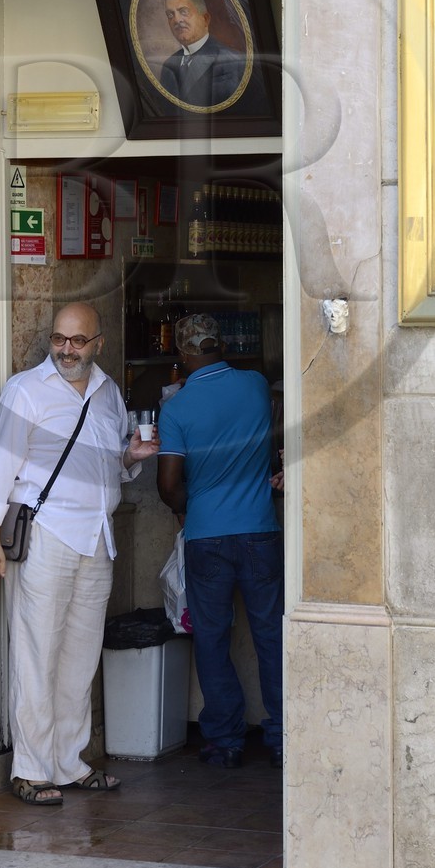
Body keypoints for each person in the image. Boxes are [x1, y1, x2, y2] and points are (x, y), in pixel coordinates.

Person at [0, 302, 159, 806]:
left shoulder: (107, 393)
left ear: (98, 343)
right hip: (48, 534)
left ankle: (70, 761)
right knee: (36, 654)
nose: (67, 350)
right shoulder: (25, 390)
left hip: (97, 537)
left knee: (79, 656)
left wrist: (130, 457)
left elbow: (106, 465)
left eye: (78, 341)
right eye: (59, 339)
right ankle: (31, 770)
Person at [156, 314, 283, 770]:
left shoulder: (177, 408)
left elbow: (169, 484)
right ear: (221, 344)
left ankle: (225, 740)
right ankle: (284, 736)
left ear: (184, 354)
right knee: (270, 634)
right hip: (260, 531)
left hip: (207, 536)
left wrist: (188, 508)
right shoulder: (255, 385)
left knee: (212, 639)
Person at [158, 0, 244, 108]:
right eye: (170, 15)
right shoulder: (168, 65)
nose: (176, 20)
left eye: (184, 12)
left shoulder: (235, 61)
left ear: (205, 19)